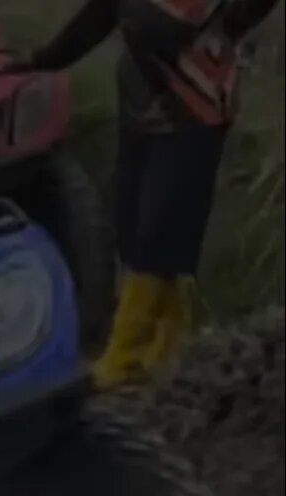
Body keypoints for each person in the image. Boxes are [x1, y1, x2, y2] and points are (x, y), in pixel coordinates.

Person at [27, 0, 281, 390]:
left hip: (195, 108)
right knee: (129, 218)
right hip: (142, 102)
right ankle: (167, 340)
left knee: (160, 230)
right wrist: (43, 61)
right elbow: (100, 15)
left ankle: (124, 355)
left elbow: (164, 27)